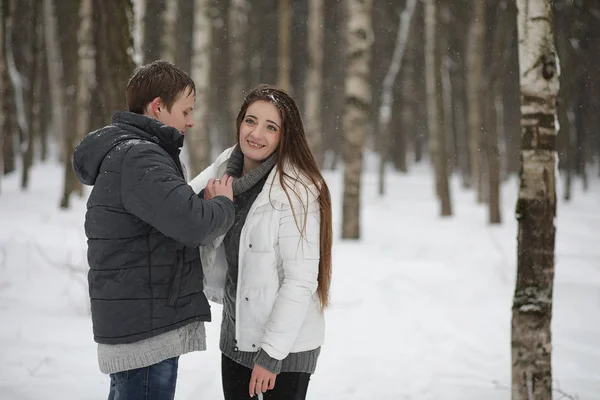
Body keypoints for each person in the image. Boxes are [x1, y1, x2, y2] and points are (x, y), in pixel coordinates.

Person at [72, 60, 235, 400]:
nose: (191, 120)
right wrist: (222, 204)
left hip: (138, 319)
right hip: (145, 326)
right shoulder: (140, 157)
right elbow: (193, 225)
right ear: (158, 107)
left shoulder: (130, 152)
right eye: (186, 110)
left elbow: (166, 217)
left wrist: (195, 202)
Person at [189, 85, 333, 400]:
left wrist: (271, 356)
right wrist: (213, 204)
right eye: (250, 121)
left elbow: (300, 281)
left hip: (285, 351)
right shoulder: (227, 164)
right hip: (236, 338)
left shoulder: (297, 189)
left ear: (285, 135)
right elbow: (184, 206)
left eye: (271, 127)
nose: (257, 133)